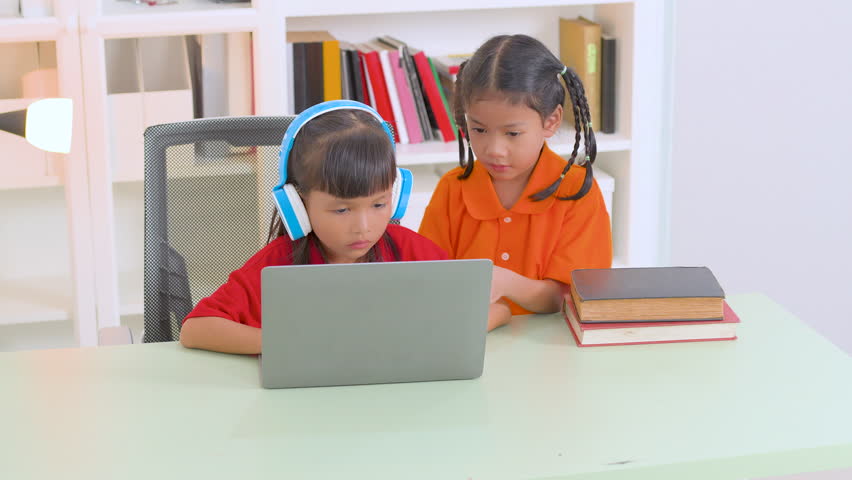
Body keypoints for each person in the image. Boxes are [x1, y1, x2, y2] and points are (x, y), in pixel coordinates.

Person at [180, 100, 447, 354]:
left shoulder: (412, 251)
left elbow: (462, 310)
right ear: (298, 204)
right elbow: (195, 329)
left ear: (396, 195)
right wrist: (291, 343)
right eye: (342, 210)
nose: (363, 227)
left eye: (378, 205)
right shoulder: (277, 265)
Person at [418, 34, 612, 331]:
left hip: (555, 356)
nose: (494, 149)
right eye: (479, 129)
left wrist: (508, 283)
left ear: (551, 121)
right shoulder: (452, 188)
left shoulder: (577, 192)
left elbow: (573, 298)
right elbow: (430, 284)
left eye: (512, 133)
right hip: (469, 347)